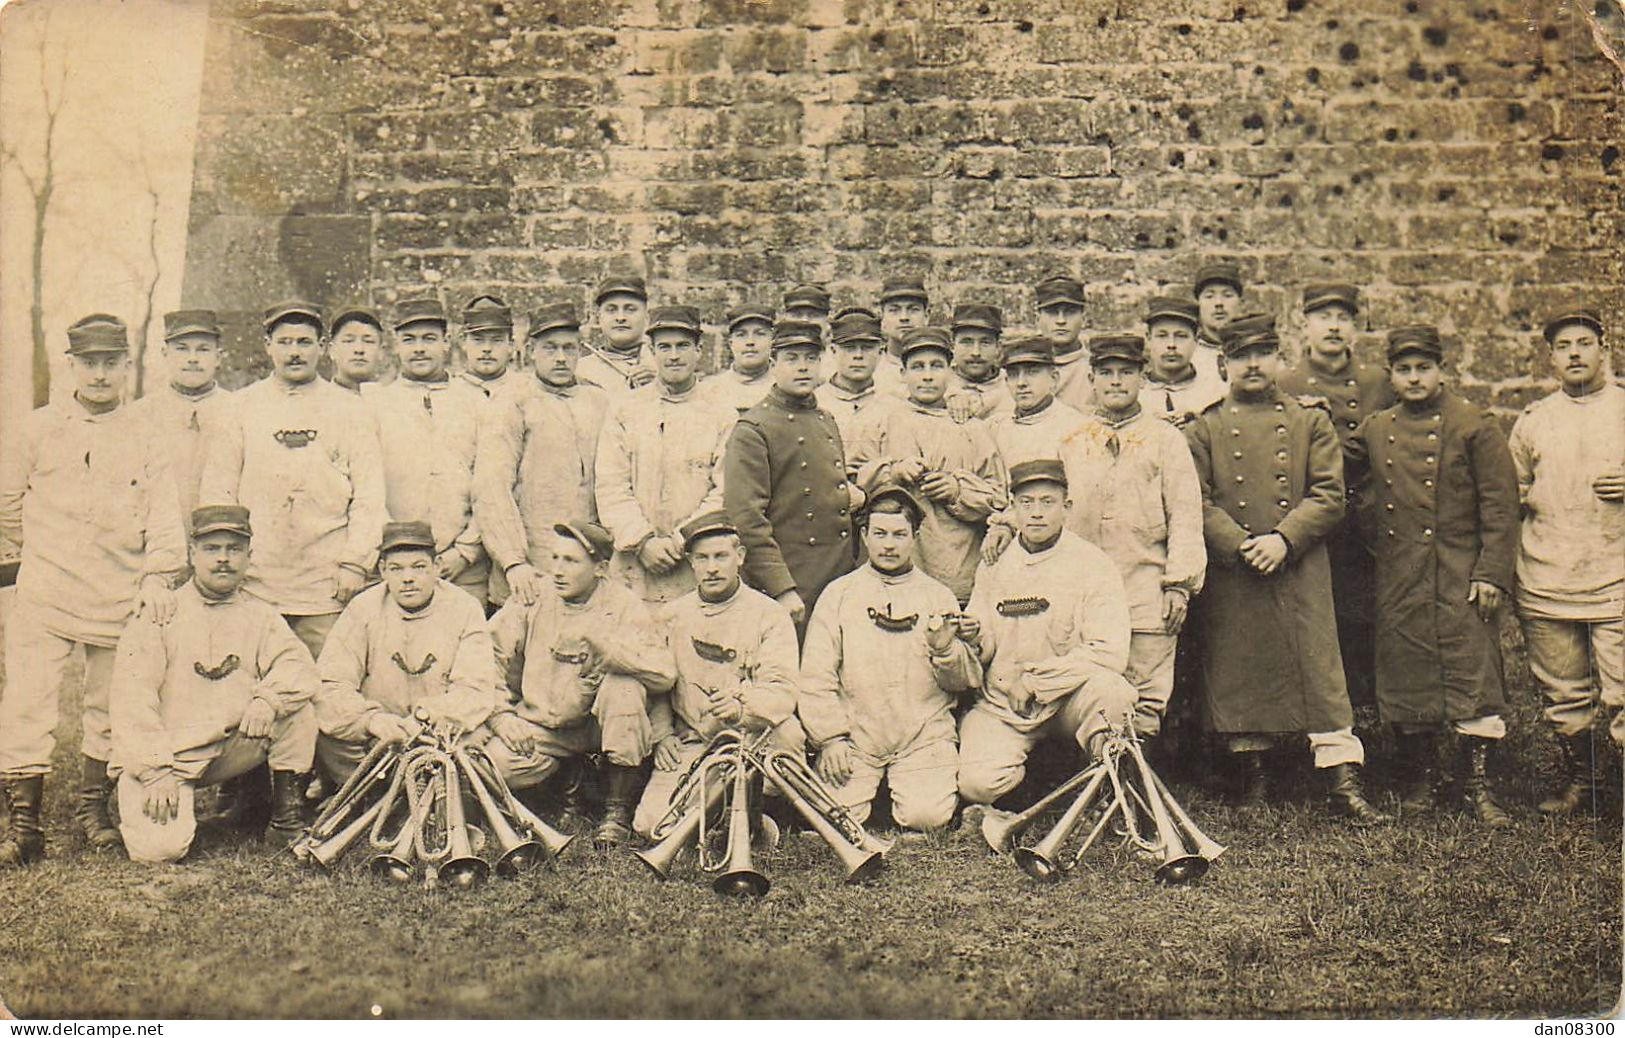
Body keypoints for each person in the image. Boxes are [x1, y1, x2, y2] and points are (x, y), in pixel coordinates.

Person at [1184, 315, 1388, 824]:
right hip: (1237, 568)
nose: (1253, 365)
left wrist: (1283, 539)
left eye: (1262, 353)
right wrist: (1240, 542)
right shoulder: (1204, 426)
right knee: (1243, 667)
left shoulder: (1309, 420)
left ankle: (1342, 778)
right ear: (1222, 363)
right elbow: (1198, 500)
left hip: (1298, 564)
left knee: (1319, 669)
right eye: (1241, 355)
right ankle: (1255, 775)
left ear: (1278, 359)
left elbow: (1328, 494)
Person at [0, 315, 186, 864]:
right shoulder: (36, 429)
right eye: (90, 363)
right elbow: (8, 505)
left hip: (119, 592)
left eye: (111, 362)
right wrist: (48, 550)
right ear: (71, 366)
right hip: (47, 588)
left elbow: (165, 518)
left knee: (109, 705)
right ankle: (25, 823)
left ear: (127, 366)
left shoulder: (147, 434)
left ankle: (91, 808)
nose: (100, 374)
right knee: (28, 702)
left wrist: (155, 575)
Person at [1350, 326, 1518, 826]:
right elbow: (1338, 471)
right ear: (1392, 375)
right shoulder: (1377, 428)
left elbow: (1501, 507)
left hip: (1460, 574)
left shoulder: (1473, 425)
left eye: (1423, 367)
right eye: (1404, 369)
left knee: (1473, 670)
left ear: (1441, 370)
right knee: (1407, 671)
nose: (1414, 377)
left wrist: (1491, 574)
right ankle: (1418, 778)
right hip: (1400, 574)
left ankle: (1476, 784)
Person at [109, 505, 319, 862]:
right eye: (212, 549)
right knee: (158, 851)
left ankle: (285, 819)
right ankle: (148, 800)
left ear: (249, 557)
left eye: (234, 549)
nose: (223, 559)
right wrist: (155, 771)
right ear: (192, 554)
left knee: (298, 709)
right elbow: (132, 700)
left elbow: (297, 666)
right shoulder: (162, 612)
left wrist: (267, 699)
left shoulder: (260, 614)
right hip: (169, 757)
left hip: (230, 749)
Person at [201, 301, 388, 661]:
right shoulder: (240, 407)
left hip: (327, 583)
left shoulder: (351, 409)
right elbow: (219, 491)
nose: (295, 352)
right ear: (268, 345)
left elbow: (369, 496)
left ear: (322, 347)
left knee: (327, 686)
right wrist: (229, 565)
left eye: (304, 342)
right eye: (285, 342)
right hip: (257, 580)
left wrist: (354, 564)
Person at [480, 522, 677, 847]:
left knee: (624, 689)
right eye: (554, 558)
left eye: (570, 561)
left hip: (596, 726)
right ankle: (564, 782)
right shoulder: (533, 596)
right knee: (493, 767)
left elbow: (664, 674)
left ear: (600, 568)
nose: (557, 570)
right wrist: (502, 717)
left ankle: (616, 810)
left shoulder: (625, 605)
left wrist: (612, 653)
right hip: (541, 727)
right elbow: (487, 657)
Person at [956, 460, 1137, 811]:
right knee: (977, 785)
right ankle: (1040, 785)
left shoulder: (1093, 564)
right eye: (1026, 503)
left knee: (1114, 694)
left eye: (1047, 502)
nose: (1036, 513)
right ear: (1012, 507)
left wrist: (1038, 684)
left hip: (1068, 699)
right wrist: (974, 636)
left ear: (1067, 507)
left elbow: (1108, 652)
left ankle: (1108, 789)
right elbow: (986, 642)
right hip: (1007, 702)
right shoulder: (995, 562)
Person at [800, 486, 982, 832]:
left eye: (899, 535)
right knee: (835, 821)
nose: (889, 545)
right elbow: (816, 676)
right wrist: (830, 740)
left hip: (921, 734)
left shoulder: (937, 595)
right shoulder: (839, 594)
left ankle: (911, 793)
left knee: (926, 818)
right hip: (857, 735)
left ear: (915, 537)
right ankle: (865, 794)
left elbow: (962, 683)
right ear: (865, 536)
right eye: (880, 534)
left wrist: (945, 650)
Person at [1056, 334, 1206, 739]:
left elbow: (1187, 514)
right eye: (1106, 373)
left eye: (1126, 372)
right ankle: (1100, 771)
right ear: (1091, 378)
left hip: (1145, 581)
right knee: (1095, 679)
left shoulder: (1166, 439)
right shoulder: (1072, 439)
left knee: (1146, 689)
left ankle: (1137, 777)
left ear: (1143, 377)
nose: (1116, 381)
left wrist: (1179, 584)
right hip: (1084, 586)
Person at [1508, 306, 1625, 813]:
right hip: (1547, 575)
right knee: (1564, 694)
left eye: (1584, 342)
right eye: (1563, 346)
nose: (1575, 353)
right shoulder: (1534, 421)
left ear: (1604, 349)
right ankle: (1587, 782)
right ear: (1551, 359)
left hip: (1617, 575)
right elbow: (1510, 495)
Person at [631, 511, 801, 839]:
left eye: (721, 557)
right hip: (695, 741)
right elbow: (657, 687)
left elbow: (782, 690)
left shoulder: (770, 615)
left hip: (753, 738)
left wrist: (743, 707)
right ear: (691, 563)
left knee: (789, 734)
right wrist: (663, 734)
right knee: (652, 825)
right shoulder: (671, 616)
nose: (712, 568)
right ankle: (722, 811)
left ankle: (764, 813)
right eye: (702, 558)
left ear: (740, 557)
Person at [312, 522, 500, 782]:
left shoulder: (465, 609)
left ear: (437, 568)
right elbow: (331, 684)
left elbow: (475, 689)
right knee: (328, 735)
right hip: (379, 736)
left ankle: (424, 794)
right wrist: (372, 720)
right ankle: (378, 792)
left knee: (478, 747)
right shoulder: (363, 609)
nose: (408, 578)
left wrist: (428, 717)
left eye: (419, 567)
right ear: (382, 571)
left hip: (440, 733)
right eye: (396, 569)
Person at [1280, 282, 1393, 711]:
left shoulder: (1378, 382)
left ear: (1355, 327)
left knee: (1371, 616)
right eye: (1323, 318)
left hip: (1370, 521)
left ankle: (1373, 710)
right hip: (1316, 520)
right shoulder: (1287, 382)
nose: (1333, 327)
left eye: (1342, 318)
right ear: (1303, 325)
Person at [724, 320, 863, 636]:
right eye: (792, 358)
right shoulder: (754, 429)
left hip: (836, 578)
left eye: (811, 358)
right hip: (792, 584)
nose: (803, 367)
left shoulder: (826, 420)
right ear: (774, 365)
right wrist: (781, 587)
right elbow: (746, 519)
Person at [849, 327, 1003, 604]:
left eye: (937, 366)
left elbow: (999, 500)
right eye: (918, 367)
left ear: (951, 371)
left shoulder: (972, 427)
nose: (928, 375)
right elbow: (851, 483)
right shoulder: (880, 420)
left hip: (957, 566)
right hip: (891, 568)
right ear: (902, 374)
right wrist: (892, 472)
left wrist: (957, 491)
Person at [595, 304, 735, 605]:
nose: (674, 356)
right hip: (634, 565)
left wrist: (681, 540)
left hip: (694, 562)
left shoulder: (721, 413)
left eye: (683, 346)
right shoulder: (624, 410)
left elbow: (725, 490)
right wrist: (643, 541)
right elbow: (610, 486)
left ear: (699, 351)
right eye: (665, 347)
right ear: (652, 352)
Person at [475, 302, 608, 609]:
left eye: (569, 348)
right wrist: (513, 562)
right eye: (550, 348)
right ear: (531, 350)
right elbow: (491, 488)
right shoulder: (512, 403)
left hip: (587, 567)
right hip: (531, 567)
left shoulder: (599, 401)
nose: (560, 358)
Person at [366, 298, 489, 607]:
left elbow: (492, 486)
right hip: (399, 568)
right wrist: (397, 554)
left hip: (464, 568)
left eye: (429, 339)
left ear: (447, 342)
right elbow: (367, 490)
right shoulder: (375, 406)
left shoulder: (477, 403)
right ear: (395, 345)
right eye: (409, 340)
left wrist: (465, 551)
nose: (419, 348)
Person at [980, 336, 1088, 562]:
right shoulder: (996, 427)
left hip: (1057, 548)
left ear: (1054, 379)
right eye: (1014, 375)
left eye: (1031, 372)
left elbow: (1076, 504)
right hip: (1002, 547)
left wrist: (1010, 525)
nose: (1021, 383)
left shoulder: (1076, 428)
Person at [125, 309, 234, 519]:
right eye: (182, 349)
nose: (192, 359)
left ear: (218, 357)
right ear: (165, 354)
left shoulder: (238, 410)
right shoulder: (139, 415)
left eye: (203, 350)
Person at [823, 307, 906, 457]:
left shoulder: (895, 407)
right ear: (833, 351)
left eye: (867, 348)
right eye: (849, 348)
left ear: (880, 352)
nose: (858, 356)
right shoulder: (815, 404)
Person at [1142, 295, 1226, 427]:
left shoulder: (1215, 393)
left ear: (1196, 339)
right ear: (1148, 339)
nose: (1171, 344)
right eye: (1162, 336)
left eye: (1181, 336)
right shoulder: (1135, 395)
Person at [579, 274, 655, 403]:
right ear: (598, 317)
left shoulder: (664, 364)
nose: (620, 317)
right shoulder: (580, 371)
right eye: (611, 310)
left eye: (630, 309)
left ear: (646, 317)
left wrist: (662, 386)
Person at [704, 304, 777, 414]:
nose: (750, 342)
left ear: (772, 341)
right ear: (731, 343)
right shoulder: (709, 390)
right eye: (741, 335)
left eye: (760, 334)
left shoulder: (786, 386)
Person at [1033, 275, 1092, 410]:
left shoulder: (1095, 370)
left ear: (1084, 319)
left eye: (1070, 312)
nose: (1061, 320)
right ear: (1037, 319)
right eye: (1052, 312)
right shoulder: (1020, 372)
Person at [944, 303, 1011, 422]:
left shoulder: (1012, 385)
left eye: (985, 342)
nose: (976, 352)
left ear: (998, 347)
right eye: (967, 342)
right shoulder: (938, 383)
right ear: (952, 346)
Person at [458, 295, 524, 401]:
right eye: (478, 340)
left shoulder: (527, 392)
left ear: (511, 345)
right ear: (463, 342)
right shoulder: (447, 393)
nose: (487, 348)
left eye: (497, 340)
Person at [1192, 259, 1243, 378]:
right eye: (1209, 296)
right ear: (1198, 303)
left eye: (1227, 295)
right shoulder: (1188, 355)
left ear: (1240, 302)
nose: (1219, 303)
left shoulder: (1254, 353)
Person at [328, 305, 389, 393]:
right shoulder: (315, 402)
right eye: (348, 341)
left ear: (381, 351)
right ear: (332, 350)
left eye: (368, 341)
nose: (359, 349)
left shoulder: (393, 401)